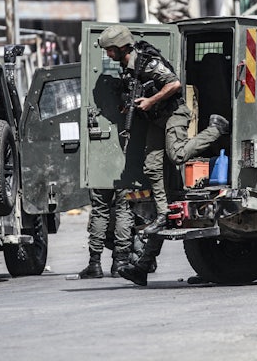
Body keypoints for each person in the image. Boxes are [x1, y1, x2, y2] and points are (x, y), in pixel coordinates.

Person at [97, 24, 229, 286]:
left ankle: (216, 129)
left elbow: (174, 83)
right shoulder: (128, 67)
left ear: (121, 46)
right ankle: (159, 220)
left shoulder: (147, 62)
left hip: (174, 114)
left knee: (177, 154)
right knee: (152, 167)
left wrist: (150, 101)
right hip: (156, 120)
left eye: (110, 50)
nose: (108, 55)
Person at [77, 188, 133, 278]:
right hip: (124, 175)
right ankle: (121, 262)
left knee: (100, 210)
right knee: (124, 209)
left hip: (102, 174)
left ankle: (94, 263)